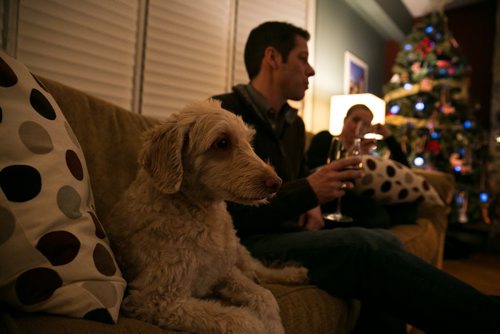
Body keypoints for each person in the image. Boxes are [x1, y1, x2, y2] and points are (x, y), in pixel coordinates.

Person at [213, 21, 500, 333]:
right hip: (245, 244)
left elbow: (292, 188)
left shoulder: (293, 125)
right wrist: (308, 192)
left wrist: (308, 202)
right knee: (364, 246)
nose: (310, 71)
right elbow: (228, 213)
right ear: (273, 58)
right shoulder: (224, 116)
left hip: (287, 232)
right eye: (302, 58)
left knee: (384, 239)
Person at [307, 104, 418, 228]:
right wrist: (348, 157)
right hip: (335, 198)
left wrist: (388, 137)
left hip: (360, 196)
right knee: (378, 216)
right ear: (345, 120)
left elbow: (405, 170)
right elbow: (313, 170)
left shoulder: (367, 152)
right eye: (355, 120)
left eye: (366, 124)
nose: (358, 126)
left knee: (408, 208)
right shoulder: (326, 138)